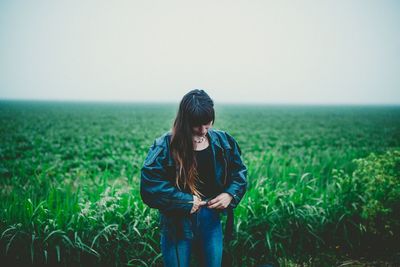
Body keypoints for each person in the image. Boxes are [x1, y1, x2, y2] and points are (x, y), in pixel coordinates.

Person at [140, 89, 247, 267]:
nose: (203, 130)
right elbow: (149, 187)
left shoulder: (224, 141)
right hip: (176, 224)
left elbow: (240, 173)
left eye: (208, 124)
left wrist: (229, 194)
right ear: (185, 121)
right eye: (197, 125)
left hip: (211, 220)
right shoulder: (164, 146)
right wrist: (185, 201)